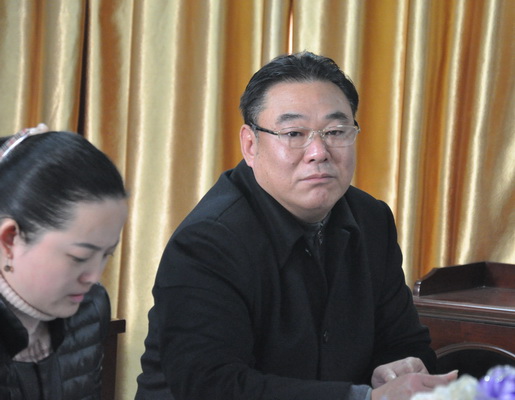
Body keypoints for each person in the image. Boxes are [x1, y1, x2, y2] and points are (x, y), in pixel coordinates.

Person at [136, 51, 457, 400]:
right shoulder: (208, 242)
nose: (318, 151)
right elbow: (213, 386)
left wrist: (398, 367)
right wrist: (364, 398)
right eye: (293, 133)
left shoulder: (372, 219)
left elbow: (406, 342)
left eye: (335, 131)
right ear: (250, 145)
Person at [0, 125, 128, 399]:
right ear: (10, 240)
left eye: (106, 254)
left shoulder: (90, 307)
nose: (94, 277)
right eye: (79, 257)